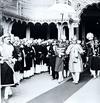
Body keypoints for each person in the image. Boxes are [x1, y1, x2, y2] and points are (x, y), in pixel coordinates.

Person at [0, 35, 16, 100]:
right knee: (4, 80)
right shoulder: (1, 47)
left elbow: (14, 54)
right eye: (7, 39)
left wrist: (13, 59)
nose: (8, 40)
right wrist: (3, 58)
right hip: (3, 64)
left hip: (10, 64)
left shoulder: (12, 46)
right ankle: (7, 93)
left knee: (9, 79)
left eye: (9, 39)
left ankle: (6, 95)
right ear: (3, 39)